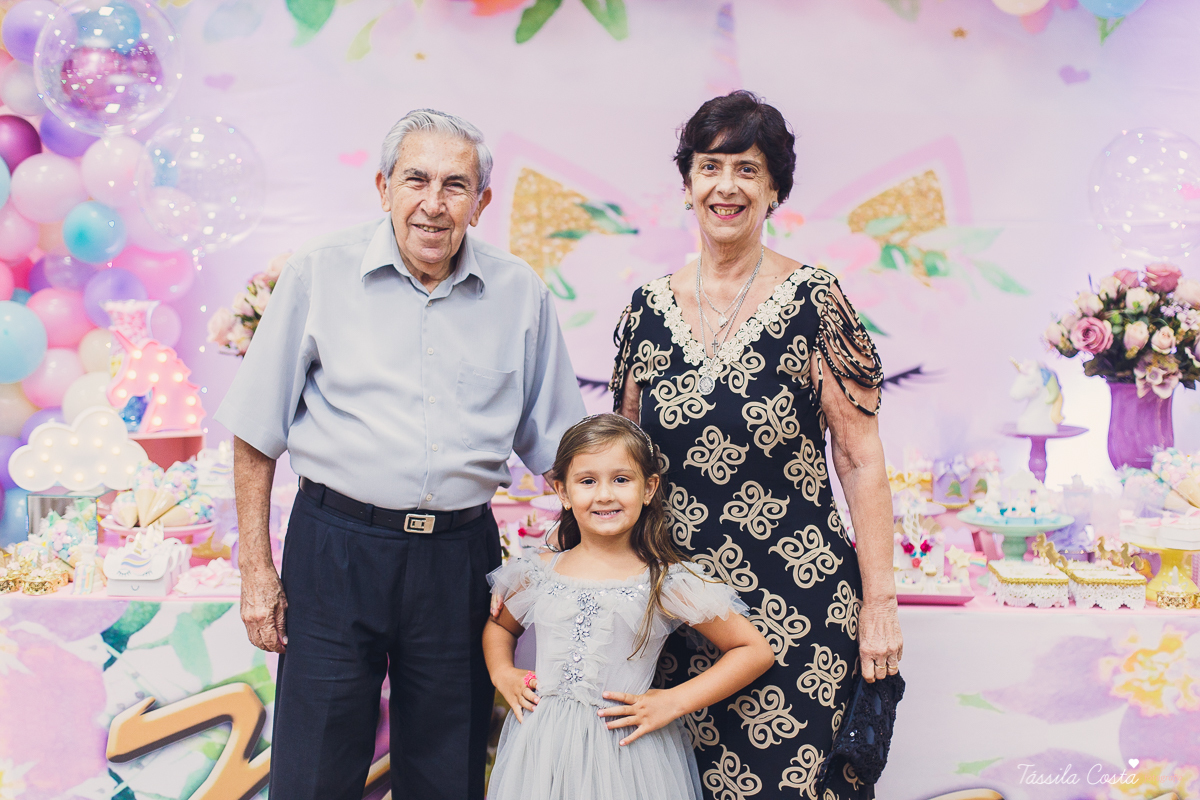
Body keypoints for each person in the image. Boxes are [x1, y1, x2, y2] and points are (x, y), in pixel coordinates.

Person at [215, 108, 586, 800]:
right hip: (335, 551)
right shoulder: (317, 275)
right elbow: (255, 430)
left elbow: (565, 453)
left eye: (455, 185)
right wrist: (256, 570)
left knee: (446, 775)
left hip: (458, 560)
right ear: (383, 186)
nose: (433, 203)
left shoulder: (520, 295)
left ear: (481, 203)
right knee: (314, 773)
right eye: (416, 179)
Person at [610, 91, 903, 799]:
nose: (727, 185)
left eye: (748, 168)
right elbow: (622, 463)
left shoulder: (813, 299)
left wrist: (880, 602)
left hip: (800, 610)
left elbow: (860, 459)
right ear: (687, 186)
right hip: (679, 614)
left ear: (774, 189)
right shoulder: (648, 309)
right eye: (710, 167)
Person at [484, 414, 775, 800]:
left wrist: (674, 701)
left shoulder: (665, 580)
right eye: (588, 481)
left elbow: (754, 650)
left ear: (649, 488)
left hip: (624, 755)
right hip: (541, 748)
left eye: (621, 479)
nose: (605, 494)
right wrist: (503, 672)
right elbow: (500, 627)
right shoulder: (538, 571)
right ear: (564, 492)